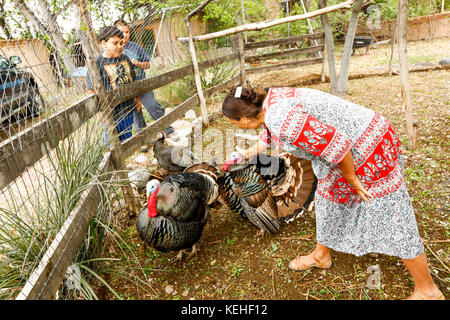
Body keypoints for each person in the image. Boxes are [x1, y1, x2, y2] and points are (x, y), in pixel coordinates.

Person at [222, 86, 445, 300]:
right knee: (328, 199)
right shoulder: (268, 102)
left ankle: (428, 291)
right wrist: (246, 155)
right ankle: (321, 255)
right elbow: (272, 134)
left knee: (389, 215)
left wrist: (352, 178)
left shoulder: (280, 118)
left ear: (243, 120)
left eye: (233, 123)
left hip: (367, 146)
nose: (237, 126)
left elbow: (338, 146)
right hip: (347, 147)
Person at [113, 19, 175, 147]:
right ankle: (143, 141)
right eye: (121, 32)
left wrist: (139, 64)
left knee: (153, 105)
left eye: (127, 32)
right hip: (127, 88)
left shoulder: (135, 46)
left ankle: (169, 131)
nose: (125, 35)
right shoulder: (113, 51)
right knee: (136, 114)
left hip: (142, 84)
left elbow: (147, 64)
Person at [86, 26, 142, 142]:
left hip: (128, 109)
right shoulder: (97, 64)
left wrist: (137, 100)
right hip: (111, 114)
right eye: (115, 43)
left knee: (126, 142)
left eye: (121, 43)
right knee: (110, 145)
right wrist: (100, 112)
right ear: (104, 43)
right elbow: (91, 90)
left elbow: (133, 81)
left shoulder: (126, 58)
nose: (119, 46)